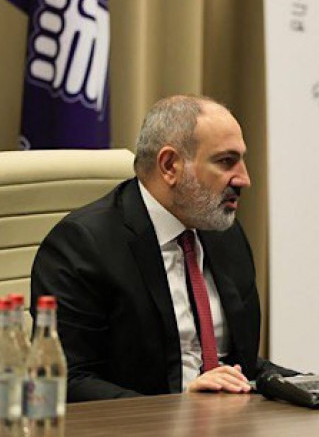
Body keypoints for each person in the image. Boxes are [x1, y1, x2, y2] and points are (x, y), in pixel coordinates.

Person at [31, 95, 296, 401]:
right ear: (170, 165)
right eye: (226, 161)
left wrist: (314, 384)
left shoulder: (225, 234)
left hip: (232, 420)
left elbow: (241, 365)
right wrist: (180, 405)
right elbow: (67, 381)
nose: (244, 179)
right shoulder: (80, 246)